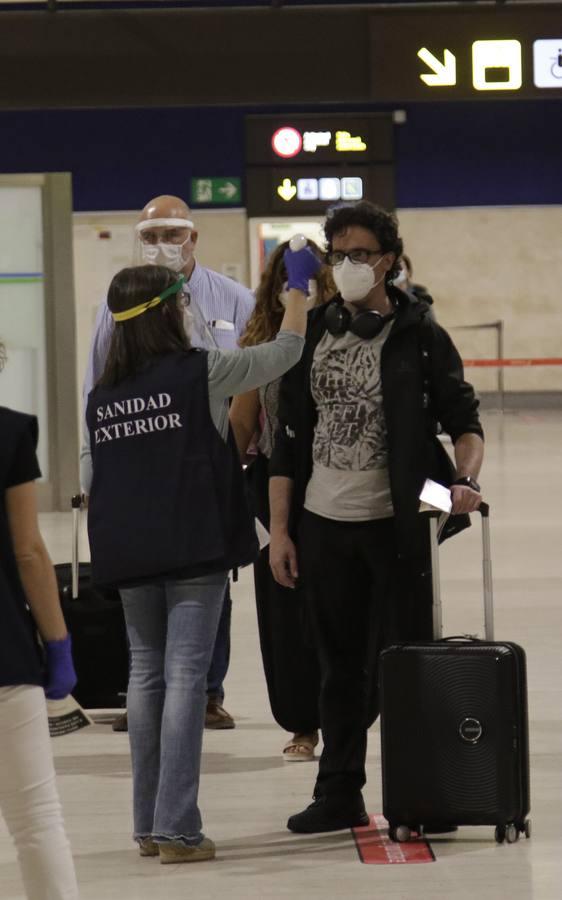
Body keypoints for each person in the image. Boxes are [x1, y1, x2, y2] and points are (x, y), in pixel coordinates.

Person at [80, 251, 319, 863]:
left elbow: (95, 471)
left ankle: (147, 826)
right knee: (186, 675)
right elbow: (283, 354)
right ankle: (179, 830)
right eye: (183, 303)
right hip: (192, 545)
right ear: (167, 315)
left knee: (146, 675)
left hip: (130, 549)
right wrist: (297, 292)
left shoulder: (104, 393)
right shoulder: (199, 371)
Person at [268, 201, 484, 834]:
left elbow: (464, 423)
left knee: (408, 662)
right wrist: (281, 529)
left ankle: (421, 794)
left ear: (388, 260)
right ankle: (338, 791)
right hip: (323, 523)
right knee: (337, 667)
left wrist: (465, 481)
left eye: (360, 254)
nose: (347, 265)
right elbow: (287, 440)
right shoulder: (312, 332)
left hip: (398, 521)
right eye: (338, 255)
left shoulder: (420, 335)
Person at [84, 194, 255, 731]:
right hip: (139, 456)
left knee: (209, 572)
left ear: (195, 238)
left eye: (173, 234)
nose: (162, 246)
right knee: (142, 572)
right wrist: (95, 466)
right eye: (152, 237)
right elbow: (97, 383)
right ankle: (147, 693)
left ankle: (207, 691)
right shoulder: (119, 304)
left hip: (209, 458)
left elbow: (259, 379)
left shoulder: (232, 299)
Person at [230, 239, 334, 762]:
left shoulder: (342, 335)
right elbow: (241, 425)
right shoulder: (264, 346)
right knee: (285, 610)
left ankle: (345, 714)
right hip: (274, 485)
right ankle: (302, 723)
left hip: (336, 480)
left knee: (337, 606)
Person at [0, 342, 79, 899]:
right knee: (35, 819)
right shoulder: (9, 433)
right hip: (4, 652)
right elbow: (28, 552)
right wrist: (58, 643)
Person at [394, 253, 436, 318]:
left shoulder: (421, 298)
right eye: (392, 268)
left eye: (399, 267)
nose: (395, 272)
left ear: (408, 272)